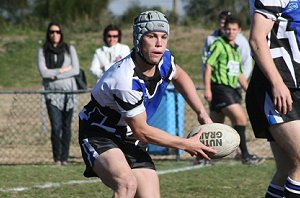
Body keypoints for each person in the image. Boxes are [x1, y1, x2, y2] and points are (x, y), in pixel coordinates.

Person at [78, 10, 216, 197]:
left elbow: (180, 76)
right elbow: (142, 131)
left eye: (164, 36)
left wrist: (201, 113)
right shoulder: (125, 79)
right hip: (100, 133)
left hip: (129, 136)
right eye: (151, 36)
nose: (159, 43)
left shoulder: (165, 59)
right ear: (138, 39)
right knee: (126, 184)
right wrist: (186, 144)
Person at [247, 1, 300, 197]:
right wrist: (277, 83)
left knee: (286, 169)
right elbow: (257, 39)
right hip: (281, 86)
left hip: (295, 85)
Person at [204, 16, 263, 165]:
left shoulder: (235, 48)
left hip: (232, 90)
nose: (231, 32)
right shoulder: (218, 44)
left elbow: (239, 74)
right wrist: (207, 89)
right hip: (220, 89)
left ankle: (202, 157)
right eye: (228, 29)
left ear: (239, 30)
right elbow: (209, 66)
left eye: (234, 29)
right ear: (224, 29)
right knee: (240, 119)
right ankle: (245, 155)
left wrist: (250, 92)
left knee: (214, 127)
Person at [37, 22, 80, 166]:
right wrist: (61, 71)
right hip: (51, 94)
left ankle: (64, 158)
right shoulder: (43, 51)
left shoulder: (69, 49)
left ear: (61, 33)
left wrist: (54, 74)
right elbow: (43, 72)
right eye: (51, 32)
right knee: (56, 127)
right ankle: (56, 158)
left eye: (57, 32)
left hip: (69, 93)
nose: (54, 35)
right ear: (48, 34)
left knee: (66, 127)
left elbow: (75, 70)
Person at [201, 10, 253, 81]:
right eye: (222, 22)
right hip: (217, 82)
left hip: (236, 83)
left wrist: (237, 82)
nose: (224, 25)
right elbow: (206, 62)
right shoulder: (211, 40)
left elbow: (246, 63)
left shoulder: (241, 41)